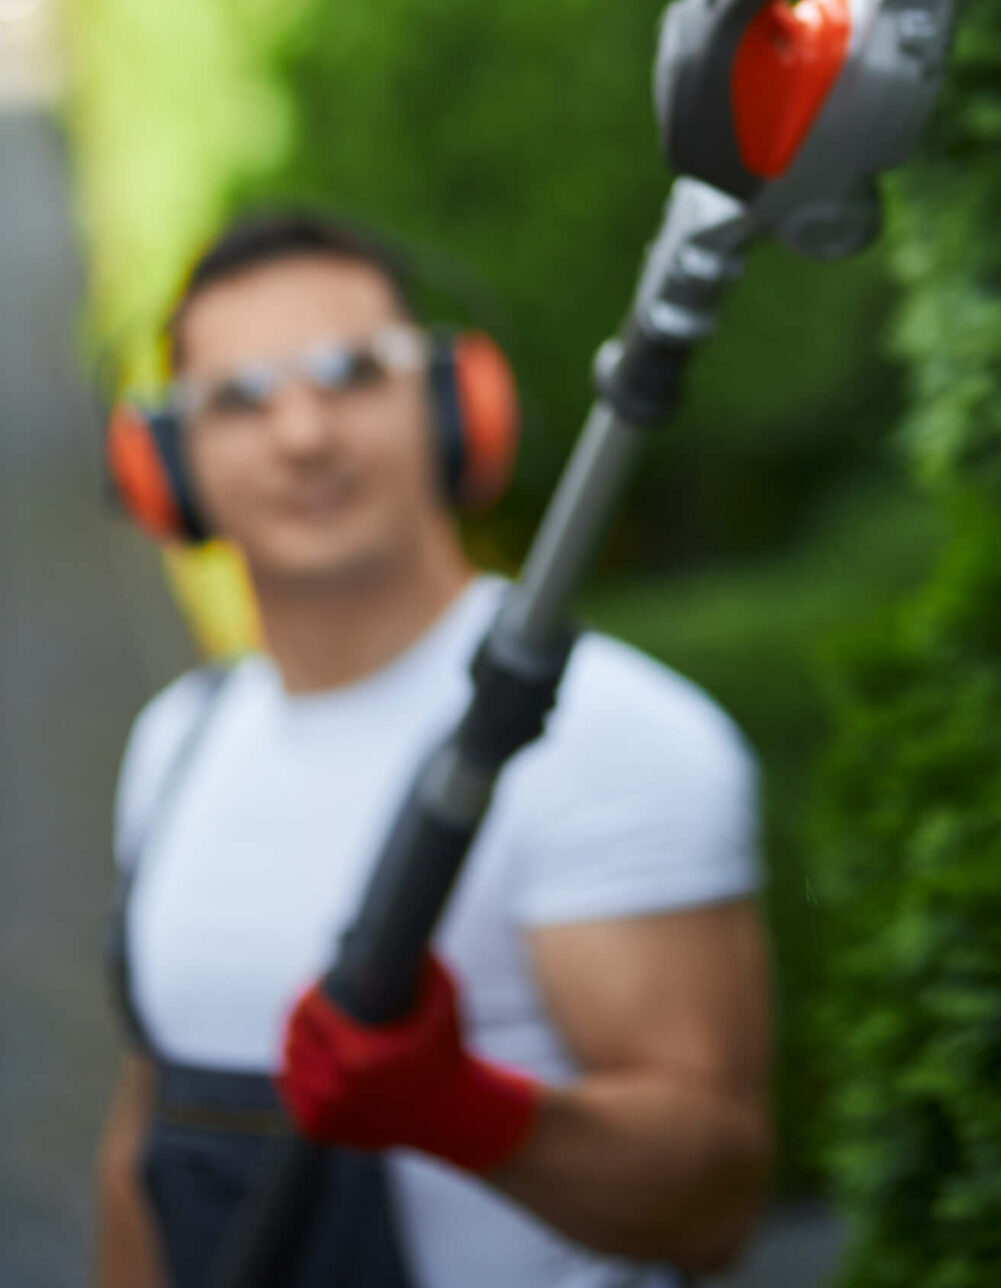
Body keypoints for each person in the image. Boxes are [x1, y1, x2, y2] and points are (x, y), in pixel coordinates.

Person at [96, 209, 772, 1288]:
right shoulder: (178, 740)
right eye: (239, 398)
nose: (304, 434)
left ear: (458, 403)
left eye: (353, 373)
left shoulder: (614, 734)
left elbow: (711, 1203)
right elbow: (139, 1149)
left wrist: (466, 1111)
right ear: (163, 464)